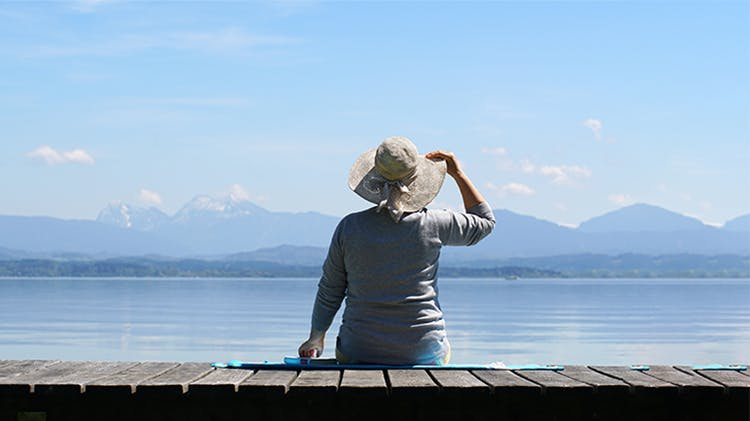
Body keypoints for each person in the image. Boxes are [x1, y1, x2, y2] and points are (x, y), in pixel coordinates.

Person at [298, 136, 495, 365]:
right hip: (424, 350)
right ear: (417, 180)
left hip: (359, 350)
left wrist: (316, 338)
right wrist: (458, 174)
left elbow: (330, 288)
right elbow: (485, 222)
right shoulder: (435, 223)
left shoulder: (349, 227)